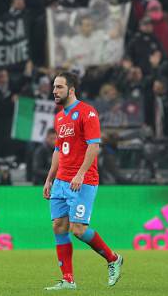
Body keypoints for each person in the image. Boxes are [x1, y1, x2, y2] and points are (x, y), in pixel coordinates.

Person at [43, 72, 123, 291]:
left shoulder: (87, 112)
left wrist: (79, 173)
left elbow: (94, 146)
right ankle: (68, 280)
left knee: (77, 229)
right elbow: (58, 150)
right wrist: (49, 179)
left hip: (82, 180)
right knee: (59, 226)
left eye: (59, 87)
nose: (54, 91)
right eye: (54, 87)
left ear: (71, 90)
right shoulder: (59, 117)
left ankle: (113, 258)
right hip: (61, 180)